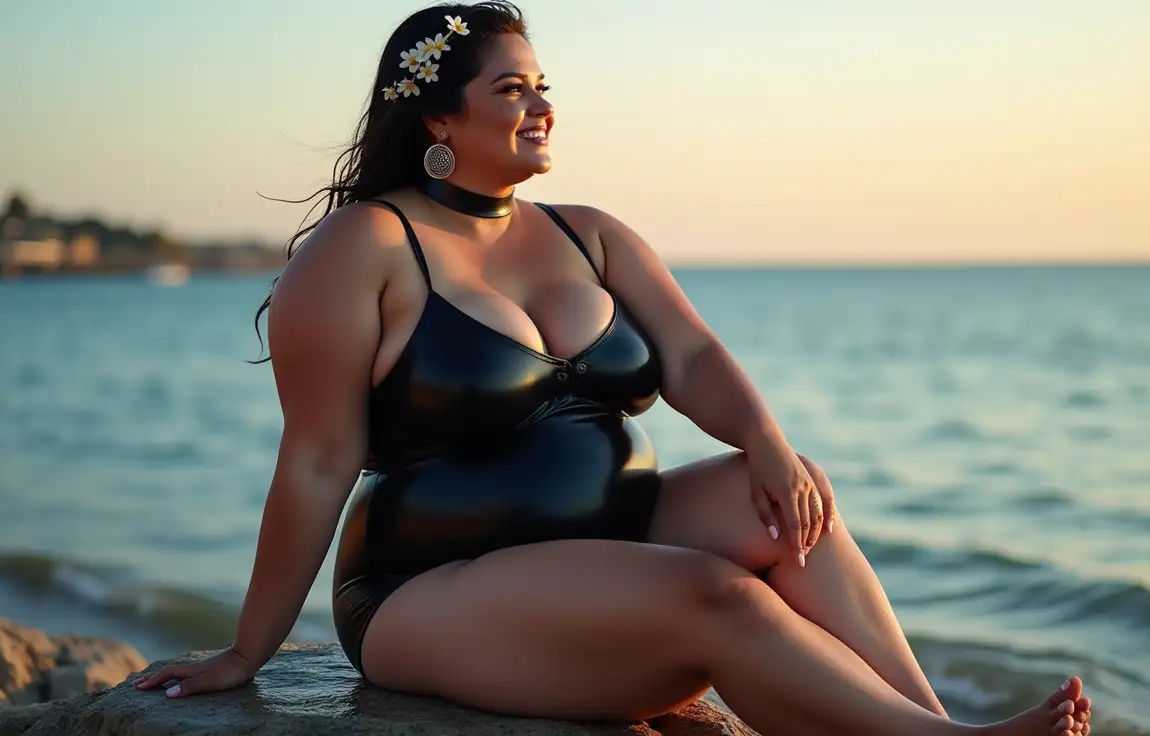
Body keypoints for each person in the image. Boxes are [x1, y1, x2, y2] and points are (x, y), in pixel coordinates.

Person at [134, 3, 1093, 734]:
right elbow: (313, 463)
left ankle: (928, 716)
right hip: (429, 588)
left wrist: (767, 442)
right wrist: (246, 654)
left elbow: (693, 354)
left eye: (543, 84)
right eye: (512, 89)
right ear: (436, 115)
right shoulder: (365, 248)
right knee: (715, 596)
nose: (543, 106)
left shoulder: (587, 234)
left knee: (791, 504)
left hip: (612, 542)